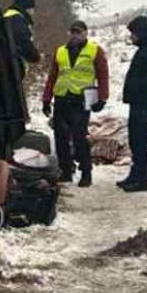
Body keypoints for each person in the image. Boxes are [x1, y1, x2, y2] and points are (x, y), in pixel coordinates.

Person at [41, 20, 109, 188]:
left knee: (79, 137)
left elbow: (103, 75)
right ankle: (66, 171)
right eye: (73, 32)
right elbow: (52, 77)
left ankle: (86, 172)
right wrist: (46, 99)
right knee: (61, 137)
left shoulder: (95, 51)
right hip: (62, 98)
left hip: (81, 99)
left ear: (85, 33)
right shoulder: (60, 51)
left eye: (78, 32)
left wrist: (102, 98)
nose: (75, 35)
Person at [117, 15, 147, 193]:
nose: (132, 37)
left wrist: (136, 87)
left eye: (134, 33)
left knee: (141, 139)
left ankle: (143, 179)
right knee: (135, 138)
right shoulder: (146, 47)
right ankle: (135, 174)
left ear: (142, 32)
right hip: (138, 101)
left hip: (145, 101)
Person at [4, 0, 42, 81]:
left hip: (6, 65)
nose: (33, 12)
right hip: (14, 65)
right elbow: (23, 42)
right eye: (32, 8)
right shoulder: (17, 19)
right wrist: (34, 55)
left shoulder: (7, 16)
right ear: (27, 7)